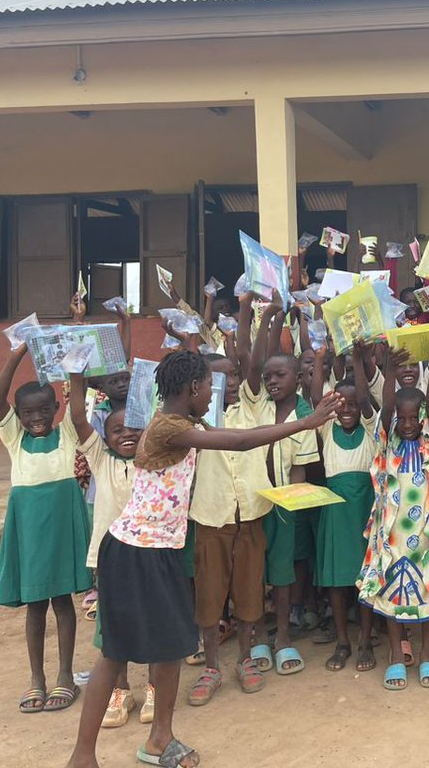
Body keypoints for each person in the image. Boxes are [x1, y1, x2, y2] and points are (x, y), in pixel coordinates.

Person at [66, 350, 341, 768]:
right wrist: (305, 422)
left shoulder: (187, 421)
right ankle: (82, 757)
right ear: (194, 389)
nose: (212, 393)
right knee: (114, 653)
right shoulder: (169, 429)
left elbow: (235, 435)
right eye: (208, 387)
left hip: (159, 551)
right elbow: (239, 441)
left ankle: (160, 739)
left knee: (173, 646)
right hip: (134, 551)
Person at [186, 292, 280, 705]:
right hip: (210, 517)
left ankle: (244, 657)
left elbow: (252, 358)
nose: (225, 385)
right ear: (201, 386)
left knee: (249, 592)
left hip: (251, 515)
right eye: (215, 380)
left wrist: (251, 312)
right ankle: (210, 665)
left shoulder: (251, 408)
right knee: (209, 597)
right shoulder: (194, 422)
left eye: (231, 377)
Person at [0, 343, 92, 715]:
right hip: (30, 529)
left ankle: (65, 677)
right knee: (35, 606)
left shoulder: (66, 434)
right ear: (17, 416)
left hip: (62, 524)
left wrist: (75, 369)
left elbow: (78, 408)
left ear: (55, 410)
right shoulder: (14, 441)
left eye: (44, 410)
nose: (37, 417)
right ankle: (37, 679)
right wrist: (16, 354)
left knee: (63, 602)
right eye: (28, 412)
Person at [358, 344, 429, 691]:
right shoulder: (387, 443)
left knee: (427, 593)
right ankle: (397, 656)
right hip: (392, 535)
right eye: (404, 418)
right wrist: (387, 368)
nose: (410, 424)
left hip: (427, 534)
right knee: (391, 593)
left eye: (415, 418)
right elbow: (385, 407)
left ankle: (427, 653)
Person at [68, 374, 149, 728]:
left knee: (151, 620)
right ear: (105, 437)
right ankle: (121, 689)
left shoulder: (153, 458)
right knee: (113, 624)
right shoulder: (101, 459)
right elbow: (78, 420)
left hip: (149, 553)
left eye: (133, 428)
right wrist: (76, 377)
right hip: (111, 557)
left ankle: (155, 687)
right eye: (117, 430)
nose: (126, 434)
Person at [314, 346, 379, 673]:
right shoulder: (326, 428)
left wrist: (356, 358)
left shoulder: (370, 428)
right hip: (337, 511)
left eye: (352, 404)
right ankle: (343, 641)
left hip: (365, 508)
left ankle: (366, 639)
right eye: (340, 404)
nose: (347, 410)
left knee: (365, 578)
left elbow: (366, 401)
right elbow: (317, 400)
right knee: (337, 581)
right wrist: (320, 359)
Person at [259, 348, 323, 677]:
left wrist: (288, 507)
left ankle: (283, 635)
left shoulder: (305, 417)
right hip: (253, 504)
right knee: (254, 571)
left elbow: (299, 471)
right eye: (267, 376)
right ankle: (257, 635)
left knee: (283, 572)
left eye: (279, 375)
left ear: (298, 379)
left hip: (283, 505)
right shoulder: (256, 408)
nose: (271, 381)